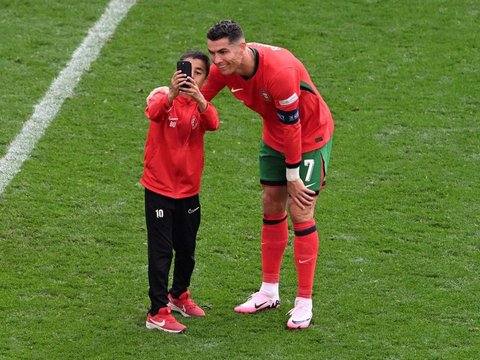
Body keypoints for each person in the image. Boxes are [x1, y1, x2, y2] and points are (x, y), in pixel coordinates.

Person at [202, 20, 334, 329]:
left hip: (309, 136)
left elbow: (293, 125)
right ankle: (268, 291)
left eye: (223, 52)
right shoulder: (223, 70)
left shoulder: (279, 72)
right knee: (271, 204)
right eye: (212, 53)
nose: (218, 61)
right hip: (276, 136)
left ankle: (304, 302)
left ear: (243, 46)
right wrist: (169, 99)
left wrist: (293, 174)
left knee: (300, 209)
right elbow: (200, 98)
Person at [141, 50, 220, 333]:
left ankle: (179, 295)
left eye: (199, 72)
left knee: (186, 249)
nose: (192, 76)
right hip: (159, 189)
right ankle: (157, 311)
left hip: (188, 191)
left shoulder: (202, 105)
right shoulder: (162, 95)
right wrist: (173, 93)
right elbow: (153, 113)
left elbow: (213, 123)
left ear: (205, 78)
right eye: (189, 70)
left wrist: (199, 98)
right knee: (161, 251)